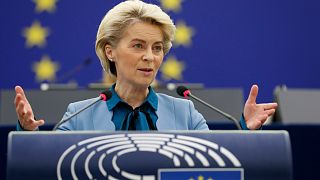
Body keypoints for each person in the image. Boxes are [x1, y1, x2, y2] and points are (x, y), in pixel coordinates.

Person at [14, 0, 277, 131]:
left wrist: (243, 130)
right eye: (138, 45)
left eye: (157, 48)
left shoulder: (185, 113)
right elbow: (48, 167)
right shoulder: (79, 116)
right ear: (110, 51)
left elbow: (214, 164)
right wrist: (26, 135)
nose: (150, 57)